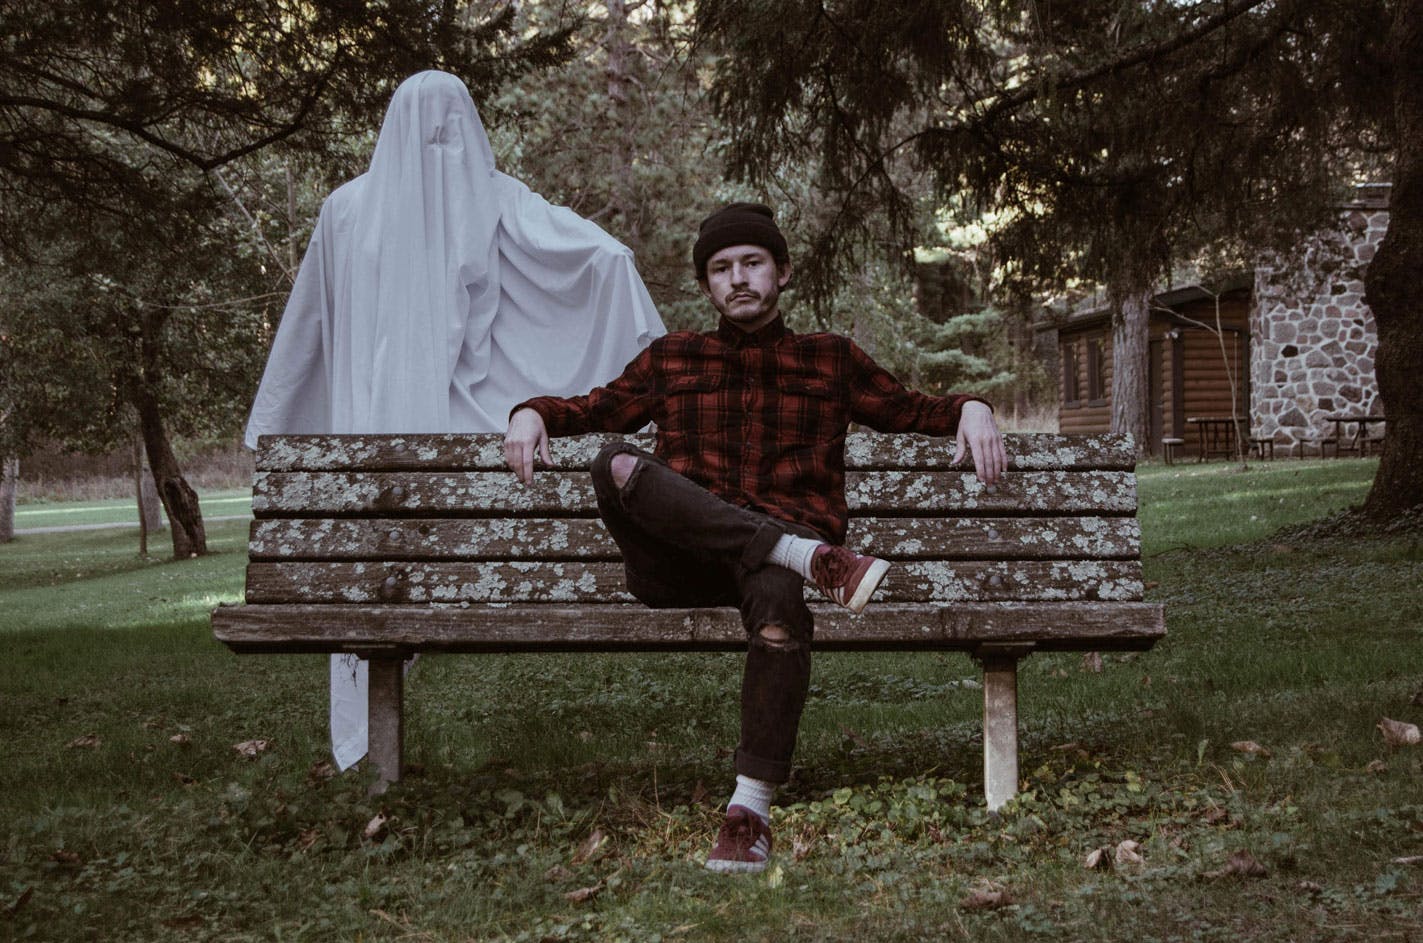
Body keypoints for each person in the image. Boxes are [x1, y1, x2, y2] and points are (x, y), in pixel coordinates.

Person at [503, 202, 1006, 873]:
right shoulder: (671, 357)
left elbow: (911, 407)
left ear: (782, 271)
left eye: (751, 263)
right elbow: (590, 410)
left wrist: (971, 404)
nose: (737, 278)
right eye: (720, 268)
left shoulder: (828, 358)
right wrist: (529, 411)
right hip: (677, 566)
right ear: (707, 284)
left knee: (777, 594)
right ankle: (803, 554)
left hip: (767, 579)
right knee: (615, 461)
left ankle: (749, 809)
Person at [244, 70, 665, 772]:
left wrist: (278, 425)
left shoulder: (352, 210)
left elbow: (304, 335)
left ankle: (367, 746)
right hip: (434, 438)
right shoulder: (488, 201)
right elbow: (598, 256)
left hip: (373, 446)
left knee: (373, 563)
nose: (442, 145)